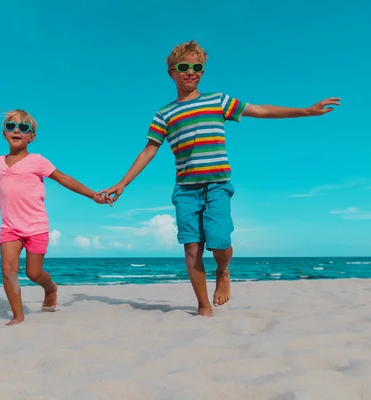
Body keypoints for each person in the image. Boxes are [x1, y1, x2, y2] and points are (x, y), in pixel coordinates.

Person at [98, 40, 340, 317]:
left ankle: (223, 271)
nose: (191, 72)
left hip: (217, 185)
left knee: (220, 243)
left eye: (197, 67)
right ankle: (203, 307)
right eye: (184, 67)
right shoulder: (164, 114)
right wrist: (123, 183)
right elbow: (149, 149)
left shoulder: (218, 101)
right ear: (171, 72)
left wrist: (306, 111)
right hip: (186, 190)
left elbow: (259, 110)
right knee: (191, 248)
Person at [0, 109, 107, 326]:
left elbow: (63, 179)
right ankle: (18, 316)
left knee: (33, 273)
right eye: (11, 126)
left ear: (31, 137)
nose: (17, 131)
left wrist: (92, 195)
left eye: (24, 128)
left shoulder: (38, 161)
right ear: (4, 133)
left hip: (36, 226)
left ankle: (50, 288)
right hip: (10, 227)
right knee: (7, 270)